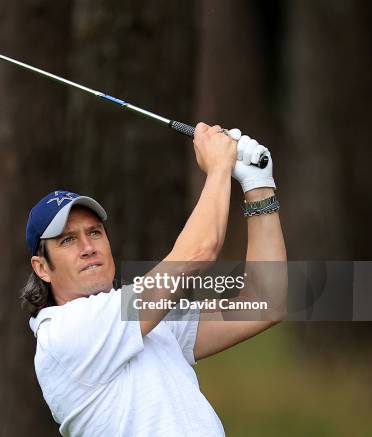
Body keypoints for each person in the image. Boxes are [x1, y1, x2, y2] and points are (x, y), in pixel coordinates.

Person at [20, 122, 287, 436]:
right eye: (67, 240)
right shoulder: (65, 334)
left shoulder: (146, 323)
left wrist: (259, 187)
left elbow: (265, 304)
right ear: (42, 268)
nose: (88, 247)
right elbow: (199, 252)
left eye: (94, 232)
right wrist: (217, 169)